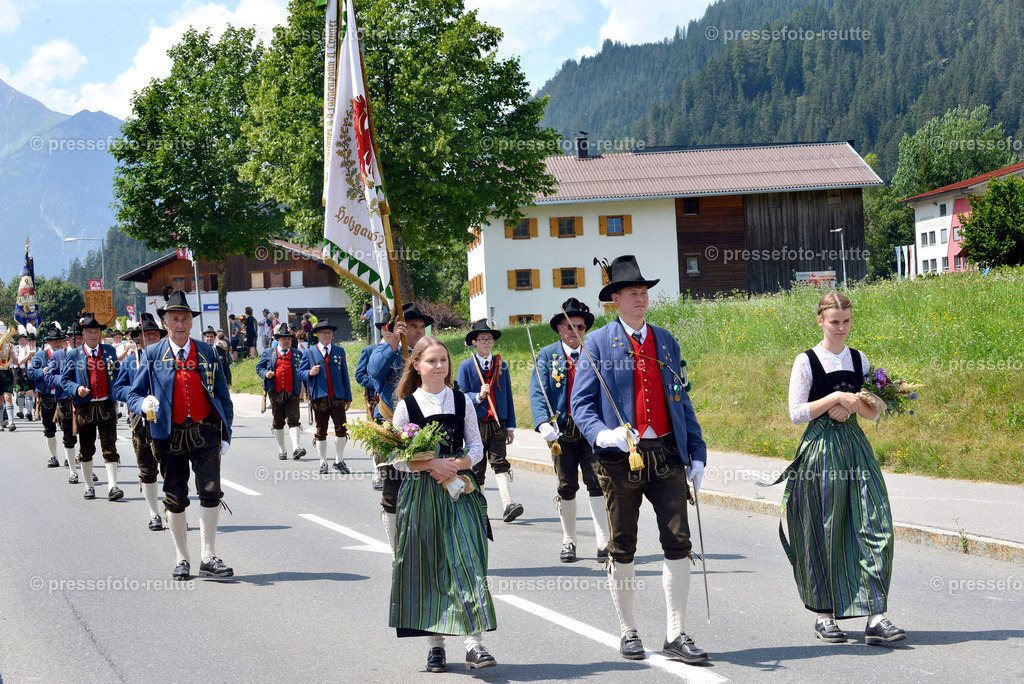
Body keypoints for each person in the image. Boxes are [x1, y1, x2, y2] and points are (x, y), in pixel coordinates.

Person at [571, 255, 709, 664]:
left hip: (666, 453)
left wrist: (697, 453)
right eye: (632, 293)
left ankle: (675, 633)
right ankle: (628, 628)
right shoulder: (597, 343)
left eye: (644, 292)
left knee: (678, 540)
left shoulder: (666, 341)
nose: (641, 298)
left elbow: (681, 400)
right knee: (623, 543)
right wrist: (605, 434)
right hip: (620, 459)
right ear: (614, 299)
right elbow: (581, 405)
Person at [772, 291, 904, 646]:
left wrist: (854, 405)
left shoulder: (859, 359)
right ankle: (824, 615)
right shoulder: (806, 361)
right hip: (821, 451)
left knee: (875, 525)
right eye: (834, 322)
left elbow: (874, 412)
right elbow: (796, 413)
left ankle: (876, 616)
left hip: (856, 449)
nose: (841, 328)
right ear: (820, 321)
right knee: (824, 528)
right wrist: (835, 398)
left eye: (846, 321)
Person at [389, 336, 497, 672]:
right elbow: (396, 458)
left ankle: (474, 644)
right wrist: (431, 464)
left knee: (469, 560)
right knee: (429, 565)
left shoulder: (462, 400)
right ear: (417, 365)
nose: (439, 366)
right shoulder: (407, 406)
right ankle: (435, 646)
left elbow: (476, 447)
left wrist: (455, 465)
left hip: (459, 490)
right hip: (421, 494)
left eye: (443, 360)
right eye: (432, 360)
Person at [127, 290, 234, 580]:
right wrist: (144, 404)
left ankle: (208, 556)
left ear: (191, 322)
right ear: (165, 323)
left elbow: (223, 396)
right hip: (169, 435)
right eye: (174, 319)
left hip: (205, 433)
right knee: (175, 496)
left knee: (210, 490)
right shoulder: (152, 354)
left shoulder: (208, 352)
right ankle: (182, 557)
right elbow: (134, 394)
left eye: (184, 319)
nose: (180, 324)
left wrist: (226, 433)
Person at [529, 298, 611, 562]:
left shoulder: (594, 352)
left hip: (591, 427)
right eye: (569, 326)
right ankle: (569, 540)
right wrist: (542, 423)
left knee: (597, 482)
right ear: (559, 328)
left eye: (580, 327)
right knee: (566, 485)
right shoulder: (547, 355)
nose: (575, 331)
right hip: (560, 429)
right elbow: (538, 391)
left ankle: (603, 541)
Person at [368, 302, 433, 550]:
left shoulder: (430, 354)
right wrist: (394, 341)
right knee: (393, 493)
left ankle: (422, 549)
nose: (418, 331)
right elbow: (374, 372)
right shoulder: (385, 350)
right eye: (412, 326)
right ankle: (397, 553)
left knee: (426, 492)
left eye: (421, 327)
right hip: (391, 429)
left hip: (424, 430)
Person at [457, 320, 522, 523]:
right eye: (482, 339)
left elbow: (508, 396)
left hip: (498, 422)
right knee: (478, 467)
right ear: (474, 342)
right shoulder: (466, 366)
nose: (486, 343)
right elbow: (460, 397)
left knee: (500, 462)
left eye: (489, 339)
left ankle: (508, 504)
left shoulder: (501, 365)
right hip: (475, 423)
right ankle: (479, 508)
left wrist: (510, 425)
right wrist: (478, 396)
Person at [60, 313, 122, 502]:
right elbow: (65, 380)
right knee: (86, 449)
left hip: (107, 405)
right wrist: (76, 388)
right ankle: (89, 486)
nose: (93, 335)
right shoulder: (75, 354)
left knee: (110, 447)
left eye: (96, 332)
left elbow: (118, 373)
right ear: (83, 334)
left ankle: (113, 486)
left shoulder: (109, 351)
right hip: (86, 408)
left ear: (100, 333)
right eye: (89, 332)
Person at [113, 314, 167, 531]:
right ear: (139, 339)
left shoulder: (169, 358)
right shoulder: (130, 361)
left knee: (172, 468)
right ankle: (154, 513)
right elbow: (118, 389)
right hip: (141, 422)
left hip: (166, 421)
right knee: (147, 469)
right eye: (147, 335)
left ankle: (173, 510)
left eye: (155, 334)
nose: (151, 338)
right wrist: (138, 396)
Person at [299, 319, 351, 475]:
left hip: (337, 396)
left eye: (329, 333)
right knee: (321, 430)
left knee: (341, 429)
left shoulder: (339, 351)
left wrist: (348, 397)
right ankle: (322, 461)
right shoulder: (309, 352)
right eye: (323, 333)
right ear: (318, 335)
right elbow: (300, 373)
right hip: (319, 397)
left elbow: (345, 375)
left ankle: (339, 460)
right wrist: (309, 372)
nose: (326, 335)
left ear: (332, 334)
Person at [257, 323, 306, 461]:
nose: (287, 341)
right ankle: (282, 450)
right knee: (278, 421)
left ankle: (296, 448)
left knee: (294, 420)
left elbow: (302, 372)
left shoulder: (297, 354)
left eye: (289, 339)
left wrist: (305, 391)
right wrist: (266, 374)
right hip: (276, 392)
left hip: (293, 392)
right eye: (284, 339)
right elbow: (259, 368)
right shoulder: (269, 353)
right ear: (278, 339)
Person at [46, 321, 83, 483]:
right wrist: (67, 381)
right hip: (65, 401)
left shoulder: (87, 354)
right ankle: (73, 471)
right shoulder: (58, 355)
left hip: (84, 401)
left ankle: (87, 468)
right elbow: (48, 377)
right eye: (76, 338)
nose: (79, 341)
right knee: (68, 436)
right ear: (69, 339)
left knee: (87, 438)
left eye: (81, 338)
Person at [28, 323, 65, 467]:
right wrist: (42, 371)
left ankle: (69, 456)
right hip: (47, 396)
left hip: (63, 395)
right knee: (49, 428)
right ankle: (53, 456)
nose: (58, 343)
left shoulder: (67, 354)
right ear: (49, 342)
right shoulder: (40, 355)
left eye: (59, 341)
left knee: (68, 428)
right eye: (55, 341)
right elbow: (31, 372)